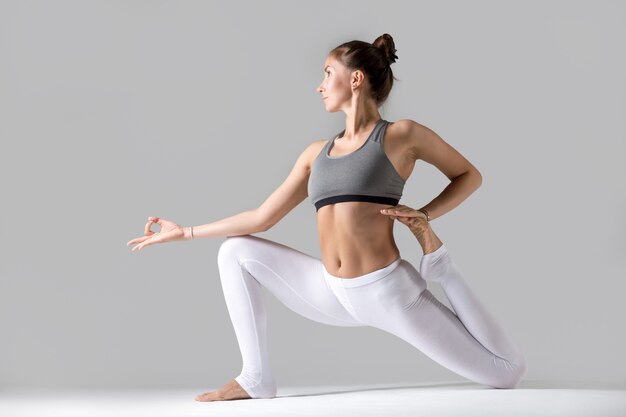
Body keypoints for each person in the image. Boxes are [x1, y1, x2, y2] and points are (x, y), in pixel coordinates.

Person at [127, 33, 527, 402]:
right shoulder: (315, 152)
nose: (319, 85)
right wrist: (187, 232)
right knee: (234, 253)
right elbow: (262, 217)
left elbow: (468, 176)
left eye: (327, 73)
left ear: (355, 79)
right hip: (330, 292)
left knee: (506, 374)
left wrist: (423, 216)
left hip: (386, 293)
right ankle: (256, 377)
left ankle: (441, 267)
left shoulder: (402, 135)